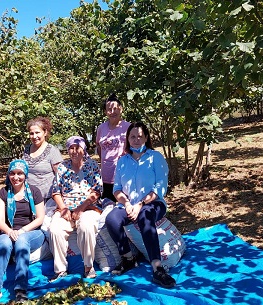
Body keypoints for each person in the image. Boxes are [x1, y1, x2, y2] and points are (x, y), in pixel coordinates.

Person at [104, 122, 176, 288]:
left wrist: (141, 204)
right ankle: (128, 258)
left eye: (140, 136)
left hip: (153, 203)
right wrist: (127, 203)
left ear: (146, 137)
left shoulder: (155, 157)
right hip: (128, 205)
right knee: (112, 219)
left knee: (145, 216)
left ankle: (158, 269)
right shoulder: (122, 161)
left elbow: (160, 188)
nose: (136, 140)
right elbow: (117, 189)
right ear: (127, 139)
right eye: (132, 137)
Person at [0, 159, 46, 305]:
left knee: (22, 240)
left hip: (32, 232)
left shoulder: (35, 192)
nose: (16, 177)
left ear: (25, 174)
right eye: (12, 173)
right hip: (9, 231)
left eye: (20, 173)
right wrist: (10, 231)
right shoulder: (3, 193)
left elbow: (40, 218)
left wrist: (23, 230)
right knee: (4, 243)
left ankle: (21, 288)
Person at [49, 136, 103, 280]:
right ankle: (60, 270)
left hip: (88, 206)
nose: (74, 151)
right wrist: (63, 208)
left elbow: (96, 191)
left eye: (77, 147)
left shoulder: (92, 165)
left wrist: (81, 208)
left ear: (83, 149)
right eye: (71, 148)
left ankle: (88, 266)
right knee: (55, 229)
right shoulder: (62, 167)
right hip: (66, 207)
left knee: (86, 226)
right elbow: (55, 191)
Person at [96, 94, 131, 202]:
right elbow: (98, 146)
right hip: (105, 177)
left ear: (121, 109)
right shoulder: (101, 128)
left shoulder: (128, 127)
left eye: (115, 108)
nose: (113, 111)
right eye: (109, 109)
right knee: (107, 206)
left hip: (123, 177)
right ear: (105, 112)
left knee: (124, 207)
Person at [23, 117, 63, 201]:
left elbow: (61, 176)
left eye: (37, 132)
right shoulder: (26, 150)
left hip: (48, 198)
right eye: (31, 133)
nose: (34, 136)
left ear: (45, 132)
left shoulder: (52, 151)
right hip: (29, 196)